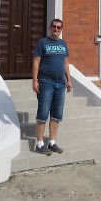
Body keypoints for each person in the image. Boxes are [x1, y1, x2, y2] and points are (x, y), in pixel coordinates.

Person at [32, 18, 72, 155]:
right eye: (54, 27)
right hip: (45, 83)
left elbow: (66, 63)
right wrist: (35, 80)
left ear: (61, 30)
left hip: (60, 84)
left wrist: (69, 80)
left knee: (56, 115)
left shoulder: (63, 44)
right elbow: (36, 62)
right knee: (43, 114)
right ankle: (39, 143)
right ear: (50, 28)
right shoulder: (43, 42)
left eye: (59, 28)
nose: (56, 29)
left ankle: (52, 142)